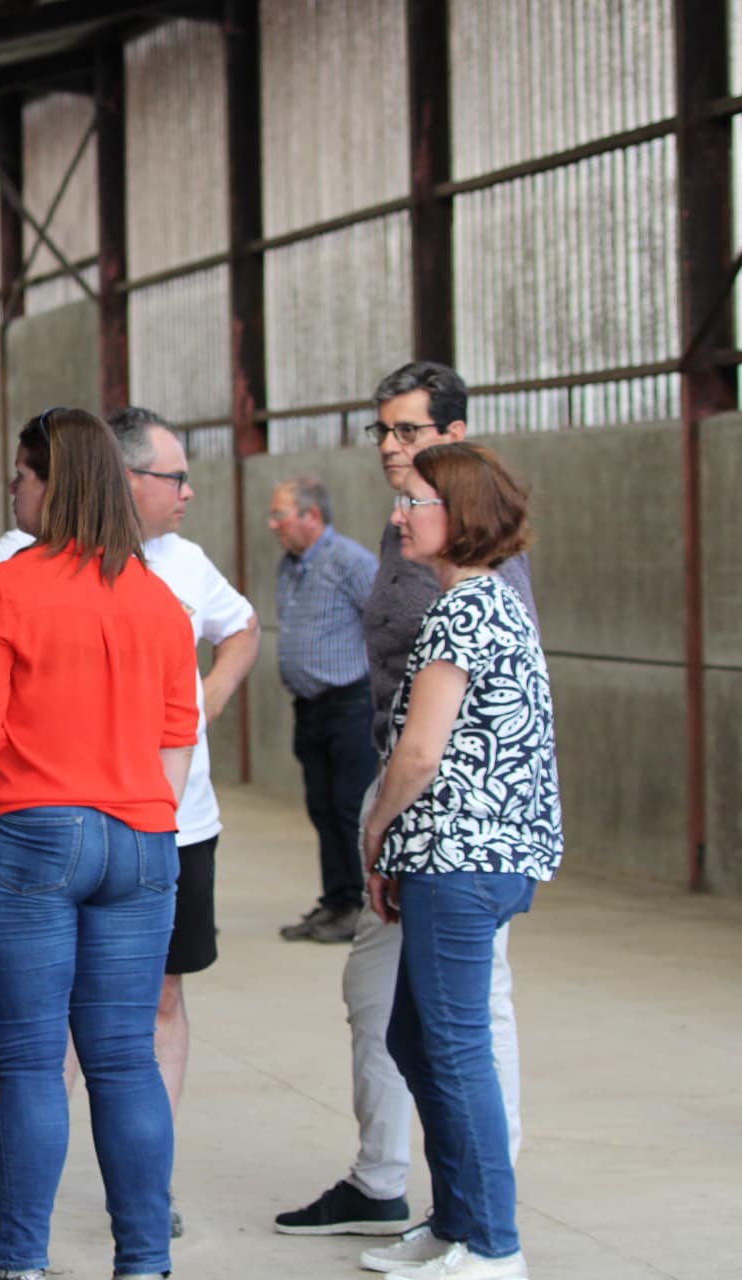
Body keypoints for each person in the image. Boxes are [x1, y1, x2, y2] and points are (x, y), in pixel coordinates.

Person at [0, 408, 258, 1239]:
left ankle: (20, 1257)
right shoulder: (157, 598)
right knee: (127, 1059)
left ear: (53, 483)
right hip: (141, 843)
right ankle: (144, 1256)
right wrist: (150, 827)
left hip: (28, 837)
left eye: (23, 475)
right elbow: (179, 734)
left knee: (30, 1063)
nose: (14, 490)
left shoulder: (5, 586)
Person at [277, 362, 535, 1242]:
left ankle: (486, 1209)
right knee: (392, 1009)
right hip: (408, 796)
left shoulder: (480, 572)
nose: (391, 447)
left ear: (455, 439)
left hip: (450, 817)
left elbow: (480, 716)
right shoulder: (409, 537)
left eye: (410, 431)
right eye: (382, 429)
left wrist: (388, 822)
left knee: (465, 1018)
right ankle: (393, 1182)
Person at [355, 442, 560, 1280]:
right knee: (414, 1036)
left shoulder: (465, 610)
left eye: (417, 502)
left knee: (453, 1044)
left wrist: (376, 830)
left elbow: (418, 754)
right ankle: (456, 1222)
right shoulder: (489, 602)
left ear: (462, 515)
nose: (399, 515)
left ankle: (493, 1244)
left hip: (461, 858)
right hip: (474, 856)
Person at [269, 475, 379, 943]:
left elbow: (384, 622)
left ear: (312, 515)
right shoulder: (290, 565)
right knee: (322, 806)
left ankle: (359, 905)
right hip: (311, 707)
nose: (272, 524)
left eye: (280, 514)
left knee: (350, 806)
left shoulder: (350, 561)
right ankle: (335, 900)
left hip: (351, 703)